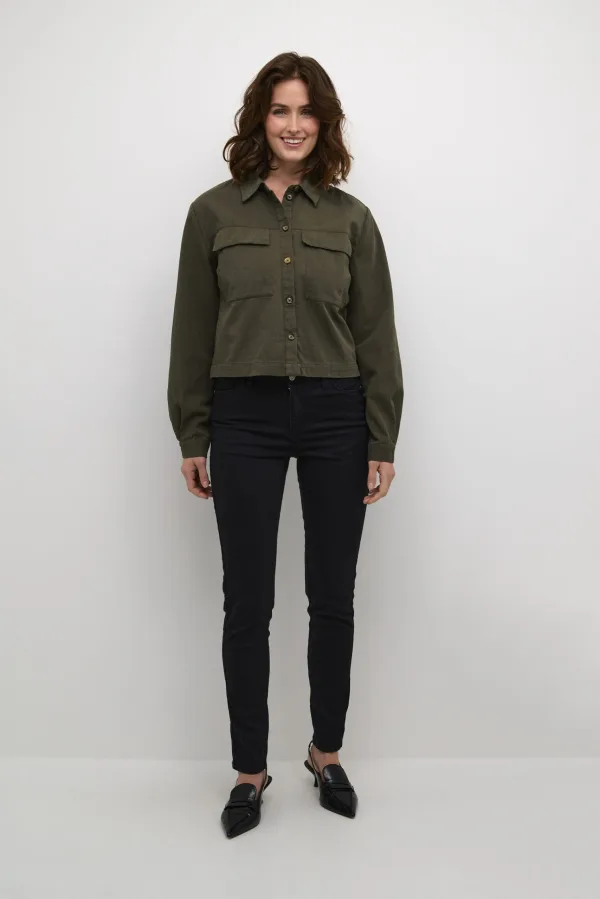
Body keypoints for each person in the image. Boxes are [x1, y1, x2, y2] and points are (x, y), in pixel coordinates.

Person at [167, 51, 404, 839]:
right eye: (280, 110)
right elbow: (192, 329)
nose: (293, 124)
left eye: (306, 111)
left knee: (333, 595)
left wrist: (381, 435)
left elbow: (376, 333)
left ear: (323, 122)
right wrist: (193, 429)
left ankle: (324, 751)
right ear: (259, 119)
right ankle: (248, 769)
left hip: (337, 414)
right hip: (245, 415)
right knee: (248, 600)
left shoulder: (351, 219)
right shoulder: (211, 214)